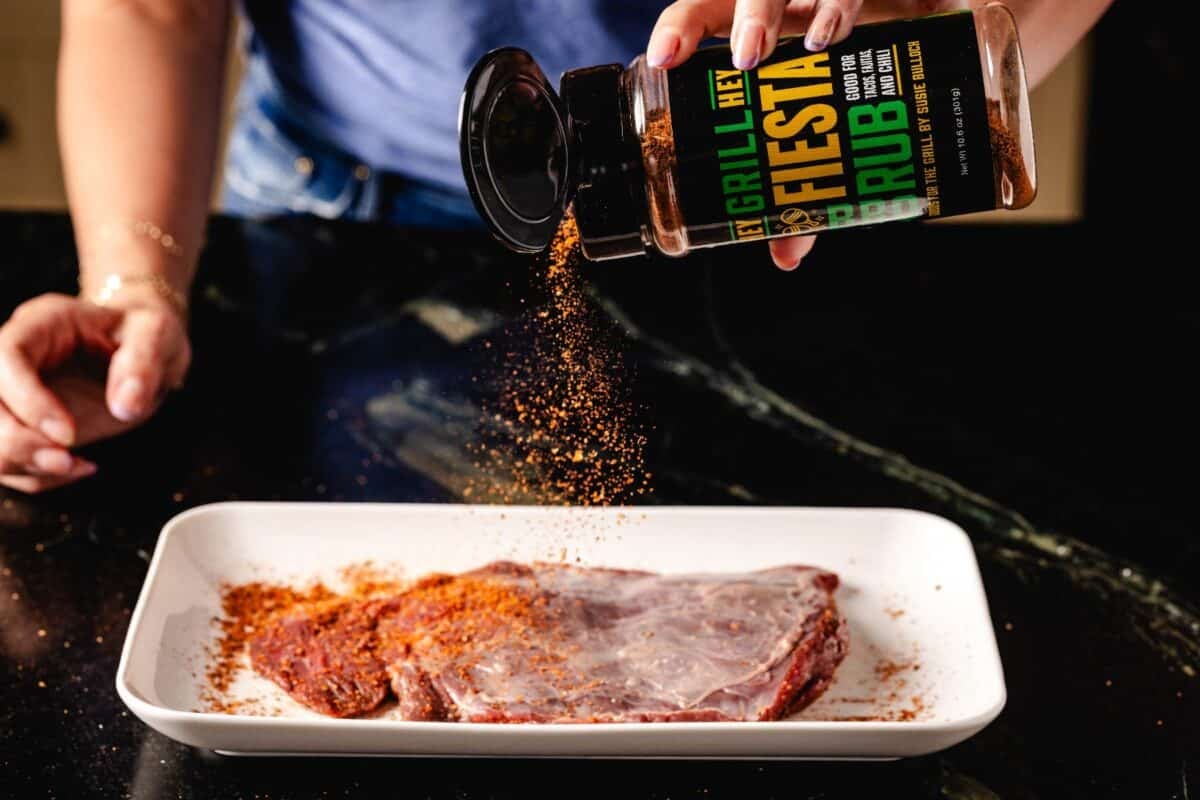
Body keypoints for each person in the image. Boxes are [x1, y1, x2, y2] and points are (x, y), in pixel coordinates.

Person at [0, 0, 1111, 493]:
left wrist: (947, 17)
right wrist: (134, 279)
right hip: (335, 213)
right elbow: (148, 7)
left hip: (776, 181)